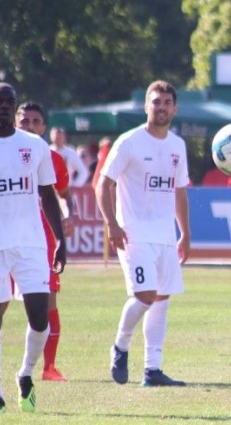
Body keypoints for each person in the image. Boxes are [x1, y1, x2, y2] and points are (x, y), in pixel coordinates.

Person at [0, 83, 67, 414]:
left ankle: (25, 373)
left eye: (10, 101)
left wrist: (60, 239)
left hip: (31, 244)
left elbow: (47, 193)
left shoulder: (34, 146)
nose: (5, 106)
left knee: (40, 318)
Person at [97, 80, 192, 387]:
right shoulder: (130, 142)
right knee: (145, 295)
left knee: (161, 298)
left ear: (174, 109)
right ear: (146, 106)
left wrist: (184, 233)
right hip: (133, 233)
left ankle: (152, 370)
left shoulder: (177, 146)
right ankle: (120, 346)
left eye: (167, 102)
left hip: (164, 235)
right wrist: (112, 223)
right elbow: (103, 184)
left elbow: (179, 191)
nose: (161, 107)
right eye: (156, 102)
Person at [16, 103, 74, 381]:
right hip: (7, 237)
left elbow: (63, 194)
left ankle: (48, 367)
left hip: (44, 239)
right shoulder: (1, 153)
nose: (29, 125)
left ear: (43, 128)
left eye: (35, 121)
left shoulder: (53, 159)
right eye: (24, 120)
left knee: (49, 300)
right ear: (15, 123)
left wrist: (69, 215)